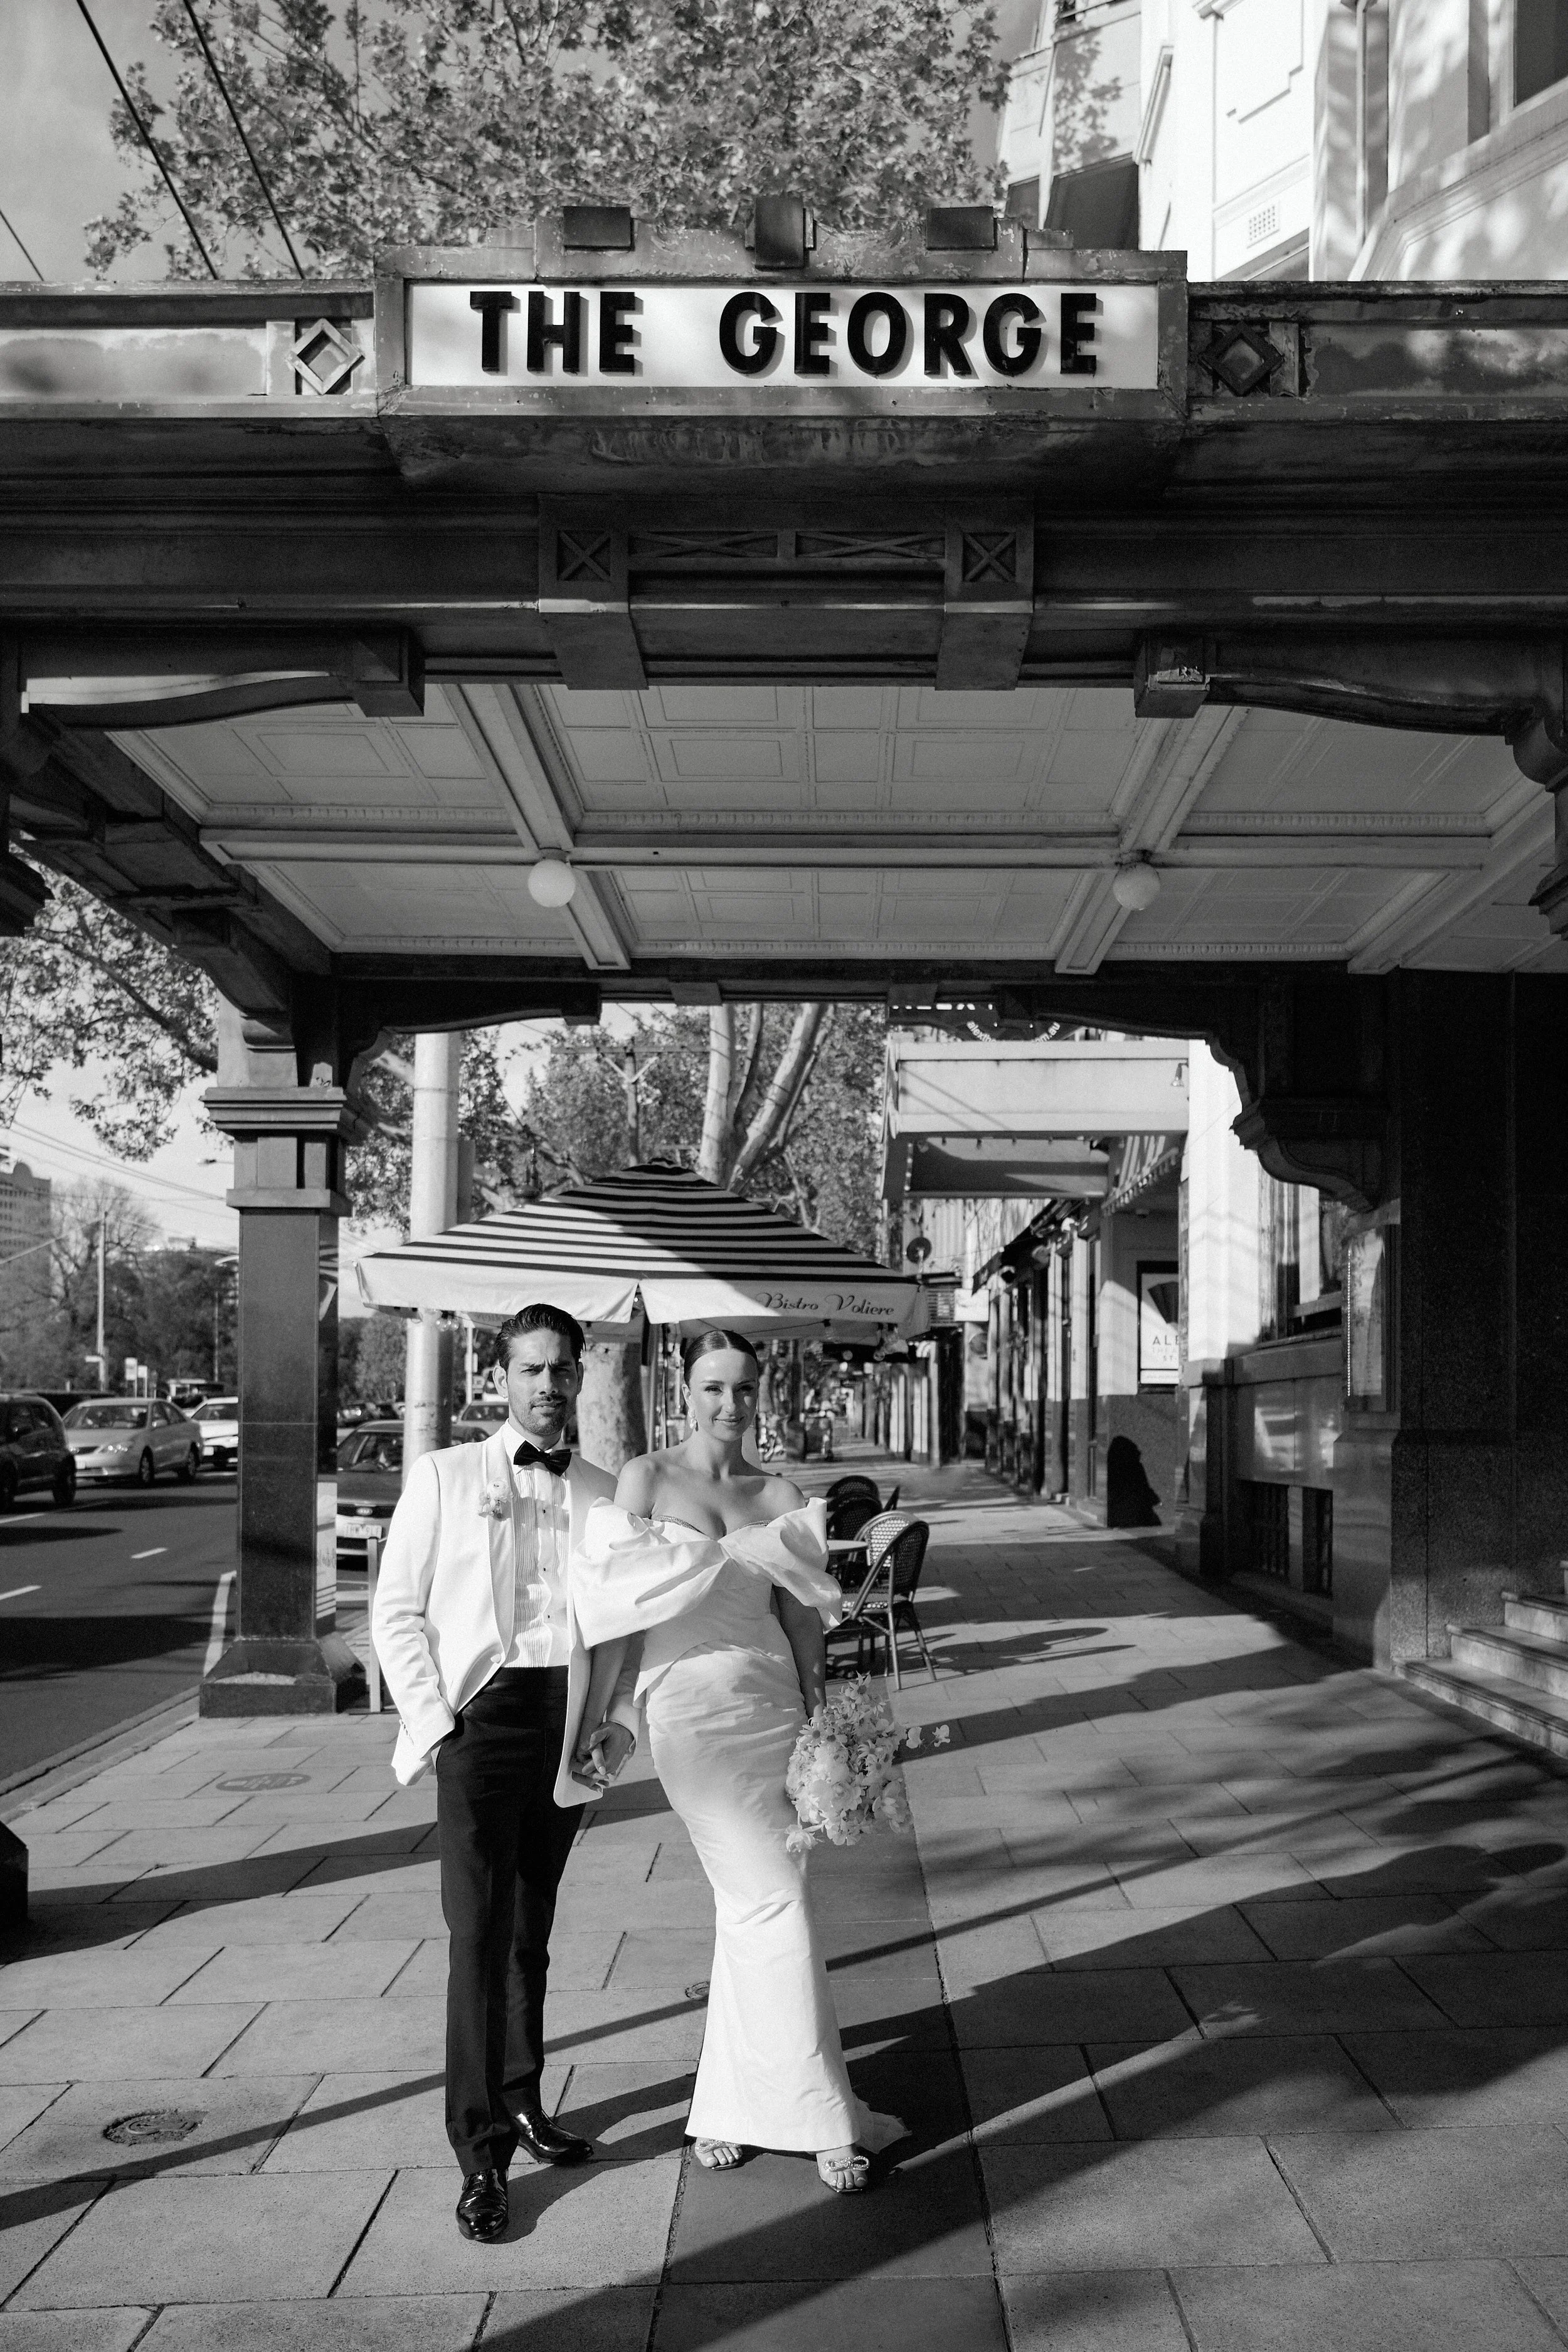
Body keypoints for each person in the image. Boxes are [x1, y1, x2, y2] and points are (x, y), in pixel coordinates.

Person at [572, 1327, 905, 2195]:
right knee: (775, 1895)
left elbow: (801, 1619)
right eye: (714, 1386)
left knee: (749, 1904)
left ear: (762, 1393)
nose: (730, 1403)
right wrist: (608, 1717)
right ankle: (826, 2117)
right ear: (687, 1388)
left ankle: (725, 2106)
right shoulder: (646, 1478)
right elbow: (618, 1612)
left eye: (745, 1388)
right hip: (686, 1709)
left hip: (773, 1709)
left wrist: (825, 1719)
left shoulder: (783, 1492)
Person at [372, 1302, 640, 2244]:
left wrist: (615, 1723)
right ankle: (480, 2155)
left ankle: (524, 2099)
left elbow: (625, 1624)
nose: (548, 1385)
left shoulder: (605, 1488)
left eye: (562, 1369)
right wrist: (438, 1725)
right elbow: (395, 1610)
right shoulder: (444, 1475)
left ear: (580, 1376)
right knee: (478, 1937)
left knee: (533, 1925)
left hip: (562, 1721)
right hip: (477, 1723)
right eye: (530, 1369)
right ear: (502, 1377)